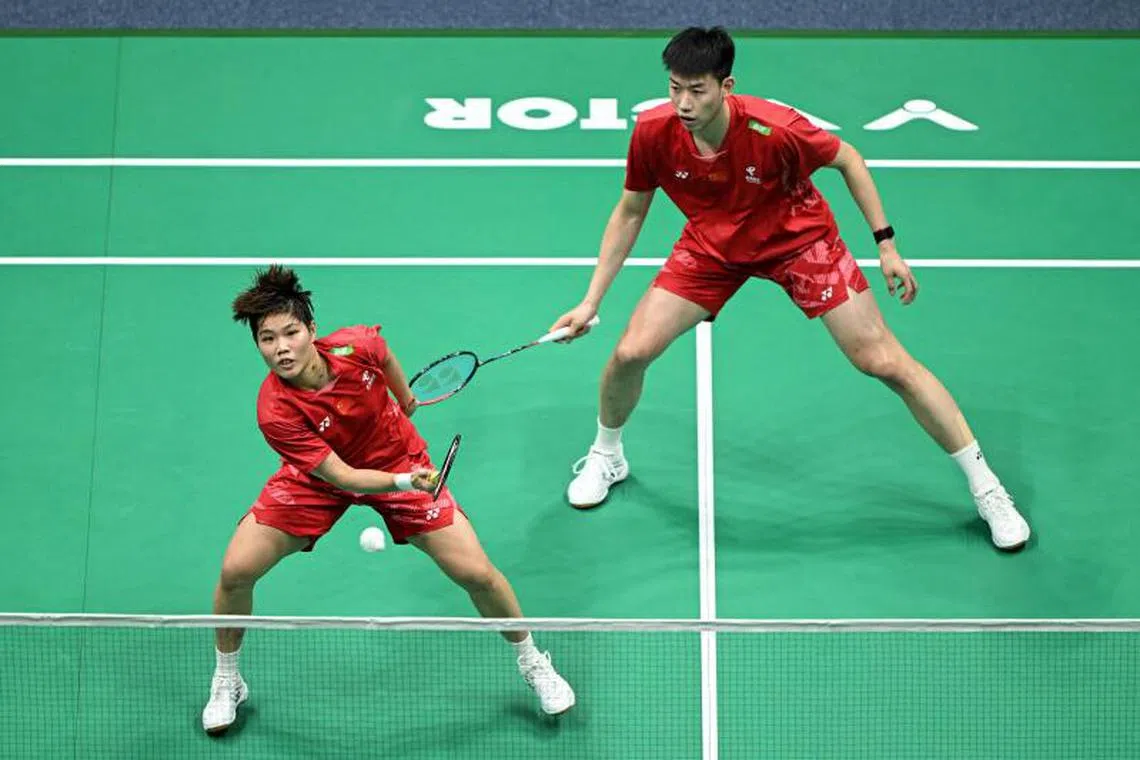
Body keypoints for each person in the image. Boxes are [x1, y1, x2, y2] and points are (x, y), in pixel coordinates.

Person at [549, 26, 1031, 552]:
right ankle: (607, 455)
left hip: (799, 241)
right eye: (674, 88)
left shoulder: (774, 129)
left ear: (726, 85)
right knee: (629, 352)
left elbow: (849, 159)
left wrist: (885, 244)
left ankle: (988, 489)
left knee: (883, 361)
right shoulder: (652, 132)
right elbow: (631, 210)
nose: (683, 103)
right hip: (712, 246)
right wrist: (591, 301)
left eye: (697, 90)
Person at [202, 266, 575, 735]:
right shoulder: (275, 410)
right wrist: (404, 482)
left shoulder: (357, 346)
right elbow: (342, 475)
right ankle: (227, 678)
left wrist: (405, 399)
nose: (280, 349)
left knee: (476, 573)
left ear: (311, 331)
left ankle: (532, 661)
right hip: (324, 480)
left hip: (398, 457)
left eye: (290, 333)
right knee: (237, 570)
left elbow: (385, 357)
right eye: (267, 339)